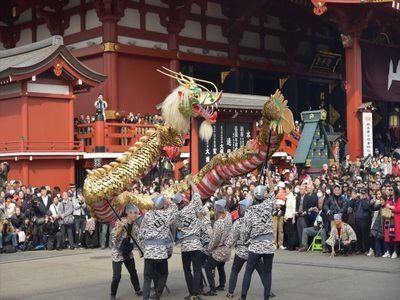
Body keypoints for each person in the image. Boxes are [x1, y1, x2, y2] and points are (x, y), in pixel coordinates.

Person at [240, 185, 275, 300]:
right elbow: (272, 192)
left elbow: (245, 230)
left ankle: (243, 297)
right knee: (268, 272)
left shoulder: (250, 210)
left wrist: (245, 241)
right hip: (269, 244)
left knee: (248, 271)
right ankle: (266, 297)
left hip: (255, 244)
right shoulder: (269, 205)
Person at [226, 198, 266, 298]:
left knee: (235, 271)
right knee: (262, 271)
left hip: (240, 251)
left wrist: (228, 245)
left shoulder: (238, 223)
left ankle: (230, 292)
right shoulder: (256, 222)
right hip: (253, 251)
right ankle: (268, 291)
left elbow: (231, 239)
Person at [139, 194, 177, 300]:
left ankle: (145, 298)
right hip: (161, 251)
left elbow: (141, 233)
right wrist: (170, 202)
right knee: (164, 274)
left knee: (147, 278)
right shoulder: (167, 215)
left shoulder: (148, 215)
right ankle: (157, 294)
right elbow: (175, 210)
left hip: (149, 251)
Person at [172, 178, 204, 300]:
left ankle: (191, 293)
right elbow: (197, 194)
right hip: (195, 243)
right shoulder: (190, 208)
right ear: (183, 201)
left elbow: (174, 225)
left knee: (187, 270)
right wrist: (191, 182)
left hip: (185, 245)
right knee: (197, 270)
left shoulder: (175, 214)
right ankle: (195, 294)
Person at [110, 204, 143, 299]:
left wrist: (143, 251)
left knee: (133, 272)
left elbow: (138, 238)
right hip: (118, 252)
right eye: (134, 213)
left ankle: (137, 289)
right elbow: (113, 237)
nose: (136, 215)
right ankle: (113, 294)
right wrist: (121, 228)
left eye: (136, 213)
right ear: (128, 214)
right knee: (117, 276)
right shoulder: (120, 222)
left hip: (128, 252)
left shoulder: (135, 225)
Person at [204, 198, 232, 296]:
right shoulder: (228, 216)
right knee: (220, 265)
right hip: (227, 249)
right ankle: (222, 284)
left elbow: (215, 240)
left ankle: (212, 289)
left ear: (217, 209)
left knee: (208, 267)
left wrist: (209, 249)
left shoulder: (218, 223)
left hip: (220, 250)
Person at [382, 184, 400, 258]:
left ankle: (395, 252)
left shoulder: (398, 199)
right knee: (387, 236)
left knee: (396, 236)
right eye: (389, 189)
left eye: (391, 190)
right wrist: (391, 207)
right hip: (388, 219)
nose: (389, 191)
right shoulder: (388, 199)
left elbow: (398, 209)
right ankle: (388, 251)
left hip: (396, 220)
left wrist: (390, 207)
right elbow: (386, 206)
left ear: (395, 190)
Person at [352, 188, 371, 254]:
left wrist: (363, 199)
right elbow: (354, 206)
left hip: (365, 220)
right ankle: (359, 249)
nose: (362, 195)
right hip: (357, 220)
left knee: (365, 235)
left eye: (363, 193)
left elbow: (366, 207)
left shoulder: (368, 200)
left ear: (366, 194)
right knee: (358, 235)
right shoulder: (358, 200)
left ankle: (366, 249)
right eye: (361, 193)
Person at [283, 184, 298, 250]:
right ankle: (289, 245)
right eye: (285, 189)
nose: (286, 190)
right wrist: (285, 216)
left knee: (291, 232)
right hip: (287, 216)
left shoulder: (293, 197)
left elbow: (293, 208)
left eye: (287, 189)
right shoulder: (287, 197)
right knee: (287, 231)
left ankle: (292, 246)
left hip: (291, 216)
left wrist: (294, 218)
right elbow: (286, 208)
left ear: (290, 189)